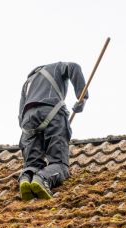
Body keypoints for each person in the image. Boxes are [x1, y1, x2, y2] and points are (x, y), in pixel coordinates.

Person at [18, 62, 88, 200]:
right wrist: (82, 97)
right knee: (59, 163)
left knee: (32, 163)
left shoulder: (27, 83)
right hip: (52, 112)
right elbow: (74, 67)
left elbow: (20, 116)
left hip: (28, 122)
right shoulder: (56, 67)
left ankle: (26, 178)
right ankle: (42, 178)